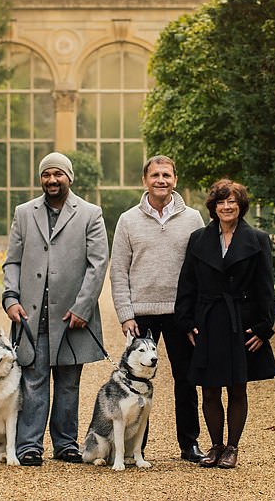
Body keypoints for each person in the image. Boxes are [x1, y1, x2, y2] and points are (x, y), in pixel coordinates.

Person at [2, 152, 109, 466]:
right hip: (32, 314)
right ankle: (29, 446)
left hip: (72, 315)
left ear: (69, 177)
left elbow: (97, 264)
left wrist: (83, 307)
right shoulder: (24, 213)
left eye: (57, 174)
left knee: (68, 382)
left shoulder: (90, 213)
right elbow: (13, 260)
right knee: (32, 380)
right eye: (46, 175)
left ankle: (65, 444)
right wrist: (10, 298)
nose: (51, 180)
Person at [108, 155, 206, 463]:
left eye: (166, 175)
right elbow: (118, 270)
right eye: (155, 175)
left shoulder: (193, 219)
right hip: (141, 314)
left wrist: (197, 315)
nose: (160, 180)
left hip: (181, 312)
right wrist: (125, 315)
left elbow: (202, 269)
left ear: (175, 180)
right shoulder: (128, 220)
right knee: (136, 383)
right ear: (144, 181)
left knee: (187, 380)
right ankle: (139, 448)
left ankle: (189, 444)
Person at [175, 179, 275, 470]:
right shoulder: (198, 239)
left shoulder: (257, 239)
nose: (226, 206)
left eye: (232, 201)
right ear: (213, 207)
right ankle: (215, 445)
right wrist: (186, 322)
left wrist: (263, 328)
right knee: (208, 389)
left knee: (236, 387)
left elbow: (265, 288)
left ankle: (232, 447)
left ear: (240, 205)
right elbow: (187, 284)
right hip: (207, 321)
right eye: (221, 202)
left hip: (240, 323)